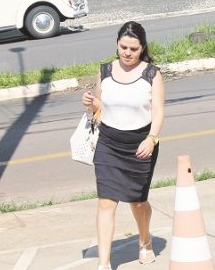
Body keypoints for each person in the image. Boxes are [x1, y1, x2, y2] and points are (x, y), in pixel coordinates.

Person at [82, 21, 164, 270]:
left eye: (133, 49)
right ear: (116, 44)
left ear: (142, 48)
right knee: (106, 202)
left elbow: (158, 111)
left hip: (140, 144)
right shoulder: (104, 71)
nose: (127, 53)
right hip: (108, 142)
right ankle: (104, 263)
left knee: (137, 201)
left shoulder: (152, 74)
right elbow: (98, 109)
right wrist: (89, 103)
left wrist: (152, 138)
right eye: (123, 47)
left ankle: (145, 240)